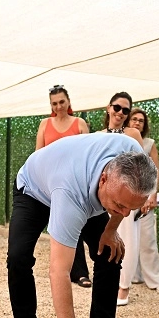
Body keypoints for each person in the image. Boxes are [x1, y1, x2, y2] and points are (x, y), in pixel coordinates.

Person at [7, 133, 158, 318]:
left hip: (80, 184)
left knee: (110, 251)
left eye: (131, 208)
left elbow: (124, 206)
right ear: (104, 179)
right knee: (18, 258)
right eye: (119, 205)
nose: (125, 213)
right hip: (34, 190)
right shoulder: (71, 193)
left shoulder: (133, 155)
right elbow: (59, 271)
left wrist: (110, 231)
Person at [36, 85, 93, 288]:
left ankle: (79, 272)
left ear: (68, 101)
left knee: (77, 225)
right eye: (54, 103)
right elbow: (38, 157)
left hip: (76, 183)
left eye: (61, 101)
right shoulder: (44, 124)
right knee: (60, 228)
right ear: (50, 105)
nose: (58, 106)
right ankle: (66, 271)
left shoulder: (80, 124)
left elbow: (87, 155)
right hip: (52, 185)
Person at [116, 108, 159, 306]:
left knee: (148, 240)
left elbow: (155, 170)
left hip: (145, 199)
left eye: (141, 120)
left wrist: (152, 196)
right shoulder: (121, 140)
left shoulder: (149, 144)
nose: (137, 122)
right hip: (125, 199)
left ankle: (156, 280)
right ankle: (133, 276)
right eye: (134, 119)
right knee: (127, 240)